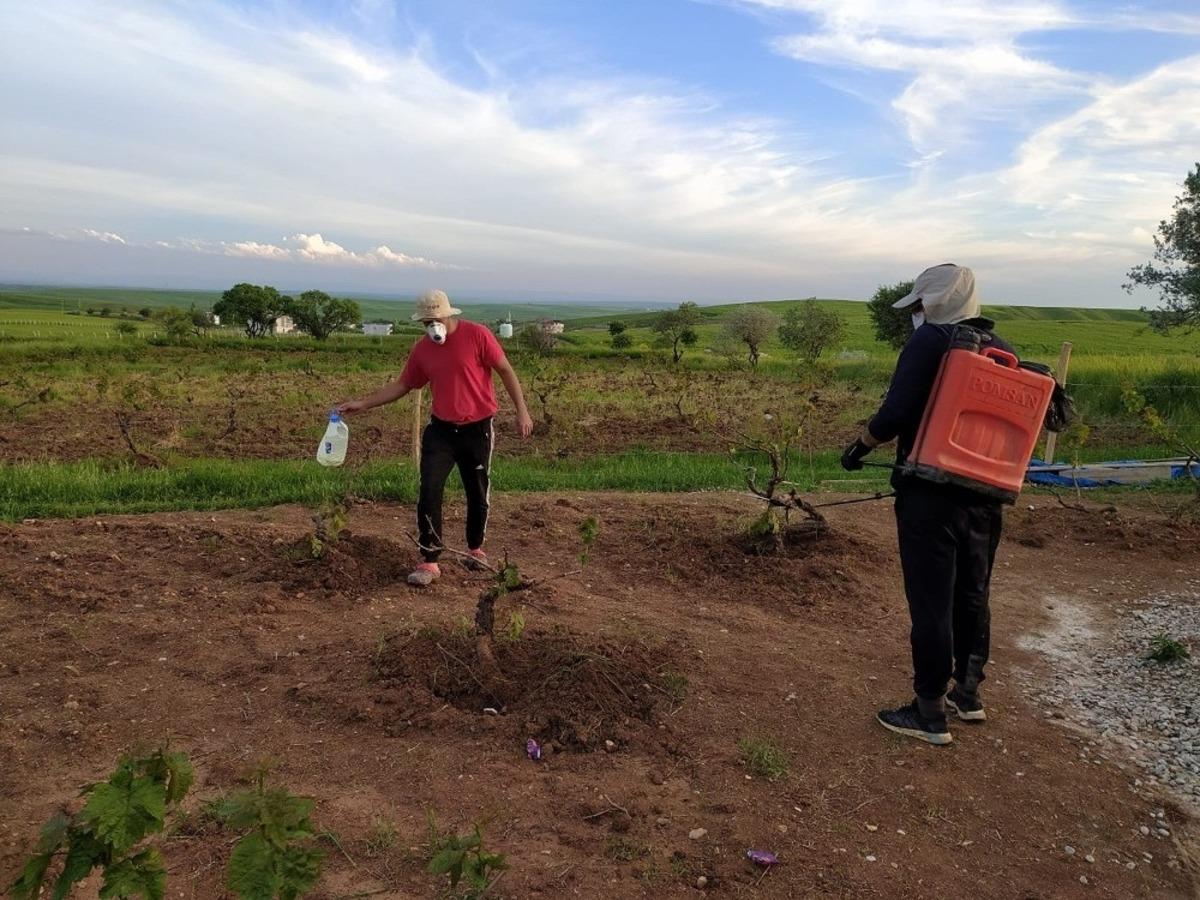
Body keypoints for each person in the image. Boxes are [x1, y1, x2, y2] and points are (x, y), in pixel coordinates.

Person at [841, 264, 1015, 746]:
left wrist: (859, 446)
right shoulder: (1002, 348)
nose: (915, 312)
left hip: (930, 494)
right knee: (973, 593)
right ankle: (968, 694)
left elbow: (896, 412)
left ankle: (929, 712)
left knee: (931, 601)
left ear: (935, 303)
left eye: (919, 304)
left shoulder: (930, 340)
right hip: (985, 494)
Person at [337, 290, 534, 586]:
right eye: (426, 322)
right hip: (441, 430)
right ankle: (429, 560)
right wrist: (363, 404)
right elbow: (404, 384)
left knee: (477, 491)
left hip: (477, 429)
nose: (432, 326)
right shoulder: (422, 350)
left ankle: (475, 549)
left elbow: (505, 370)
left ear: (448, 314)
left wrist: (522, 412)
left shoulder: (477, 335)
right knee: (429, 490)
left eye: (435, 319)